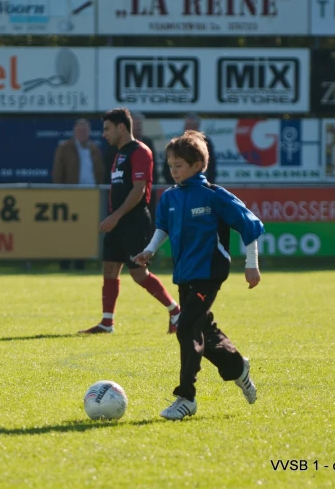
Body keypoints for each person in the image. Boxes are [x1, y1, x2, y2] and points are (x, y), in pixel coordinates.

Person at [133, 130, 264, 421]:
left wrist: (251, 264)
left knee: (186, 327)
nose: (173, 170)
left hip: (209, 272)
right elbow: (163, 228)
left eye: (178, 165)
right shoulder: (169, 197)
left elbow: (250, 226)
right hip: (185, 273)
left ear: (196, 165)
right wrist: (149, 250)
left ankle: (186, 397)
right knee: (202, 330)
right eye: (170, 165)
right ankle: (236, 366)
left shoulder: (214, 195)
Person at [79, 108, 181, 335]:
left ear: (121, 127)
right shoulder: (119, 154)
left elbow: (139, 190)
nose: (104, 134)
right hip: (118, 221)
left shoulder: (140, 151)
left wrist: (115, 215)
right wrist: (115, 217)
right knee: (110, 268)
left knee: (138, 273)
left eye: (107, 129)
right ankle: (107, 322)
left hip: (134, 220)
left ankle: (175, 311)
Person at [52, 118, 106, 271]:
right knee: (67, 230)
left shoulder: (94, 148)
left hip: (91, 195)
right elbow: (58, 172)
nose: (82, 133)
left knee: (86, 229)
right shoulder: (65, 148)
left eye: (85, 130)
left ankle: (81, 262)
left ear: (89, 132)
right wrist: (61, 193)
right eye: (79, 130)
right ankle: (64, 262)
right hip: (71, 195)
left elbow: (100, 170)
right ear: (74, 131)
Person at [163, 113, 217, 185]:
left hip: (201, 185)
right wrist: (172, 184)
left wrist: (210, 183)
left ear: (198, 127)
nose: (189, 130)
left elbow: (211, 165)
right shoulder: (177, 143)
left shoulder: (206, 142)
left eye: (192, 127)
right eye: (187, 126)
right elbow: (167, 165)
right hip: (179, 185)